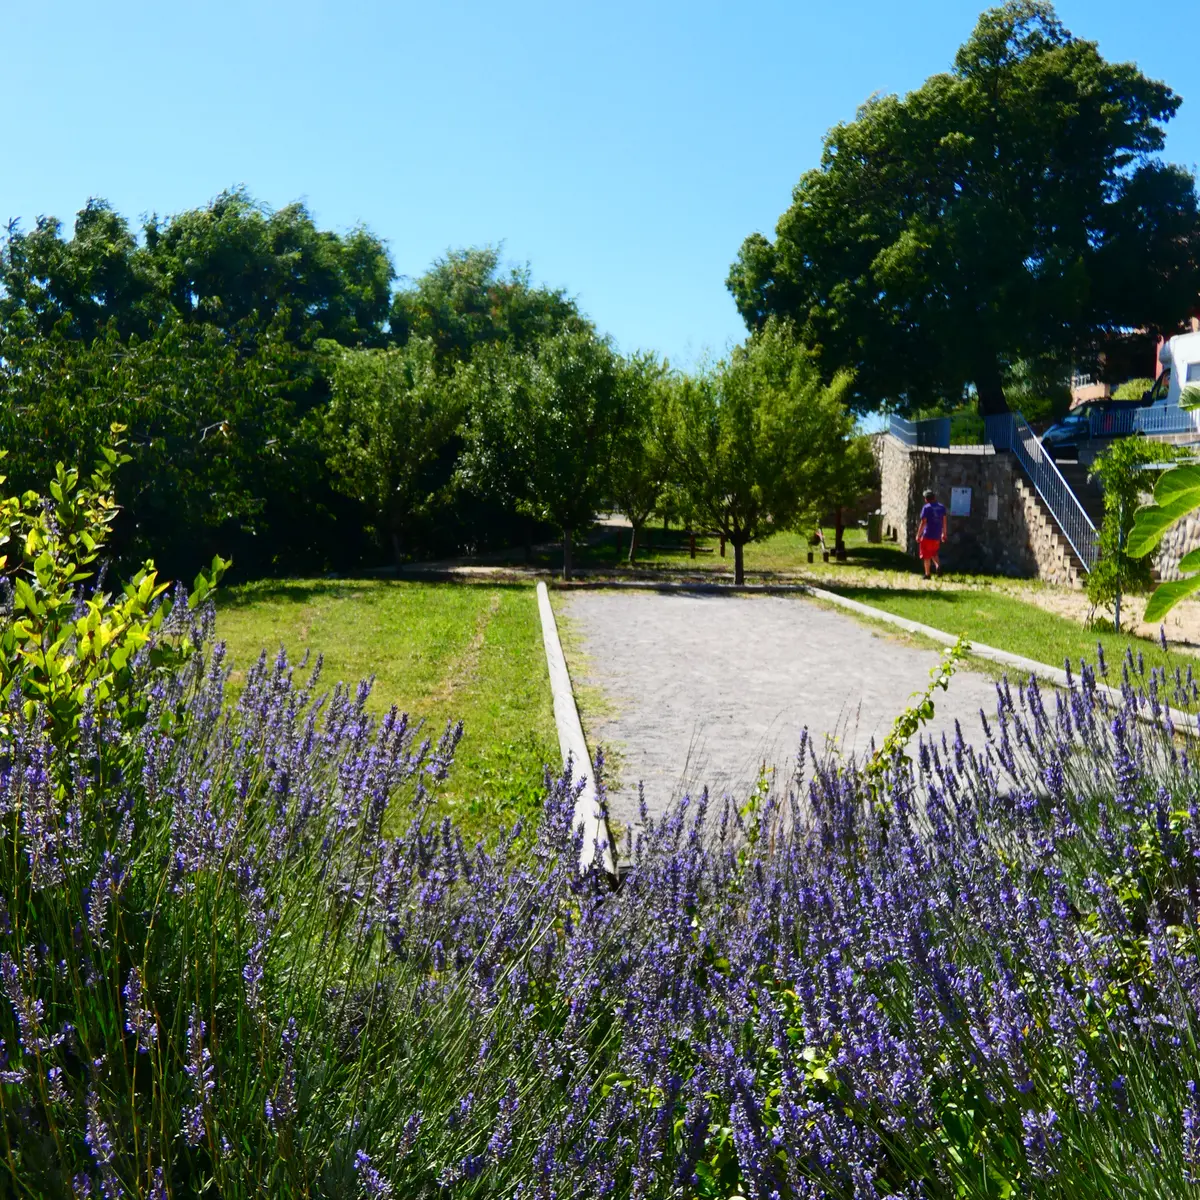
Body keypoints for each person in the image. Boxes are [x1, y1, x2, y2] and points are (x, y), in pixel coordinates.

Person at [916, 488, 947, 578]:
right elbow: (944, 521)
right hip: (937, 535)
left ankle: (927, 574)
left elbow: (923, 522)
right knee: (934, 552)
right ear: (934, 497)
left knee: (926, 555)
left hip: (927, 535)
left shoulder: (926, 508)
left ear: (926, 499)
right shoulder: (942, 507)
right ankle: (938, 566)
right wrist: (944, 533)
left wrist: (918, 534)